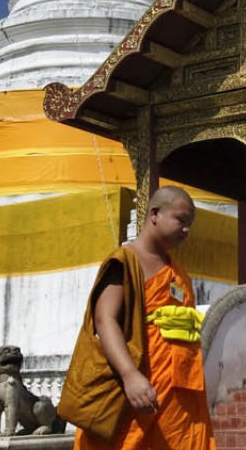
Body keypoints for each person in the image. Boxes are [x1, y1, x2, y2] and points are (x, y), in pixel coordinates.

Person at [60, 186, 213, 450]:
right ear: (154, 214)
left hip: (181, 394)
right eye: (181, 220)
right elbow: (105, 320)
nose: (186, 230)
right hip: (140, 388)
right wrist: (130, 375)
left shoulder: (179, 272)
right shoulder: (125, 261)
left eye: (190, 224)